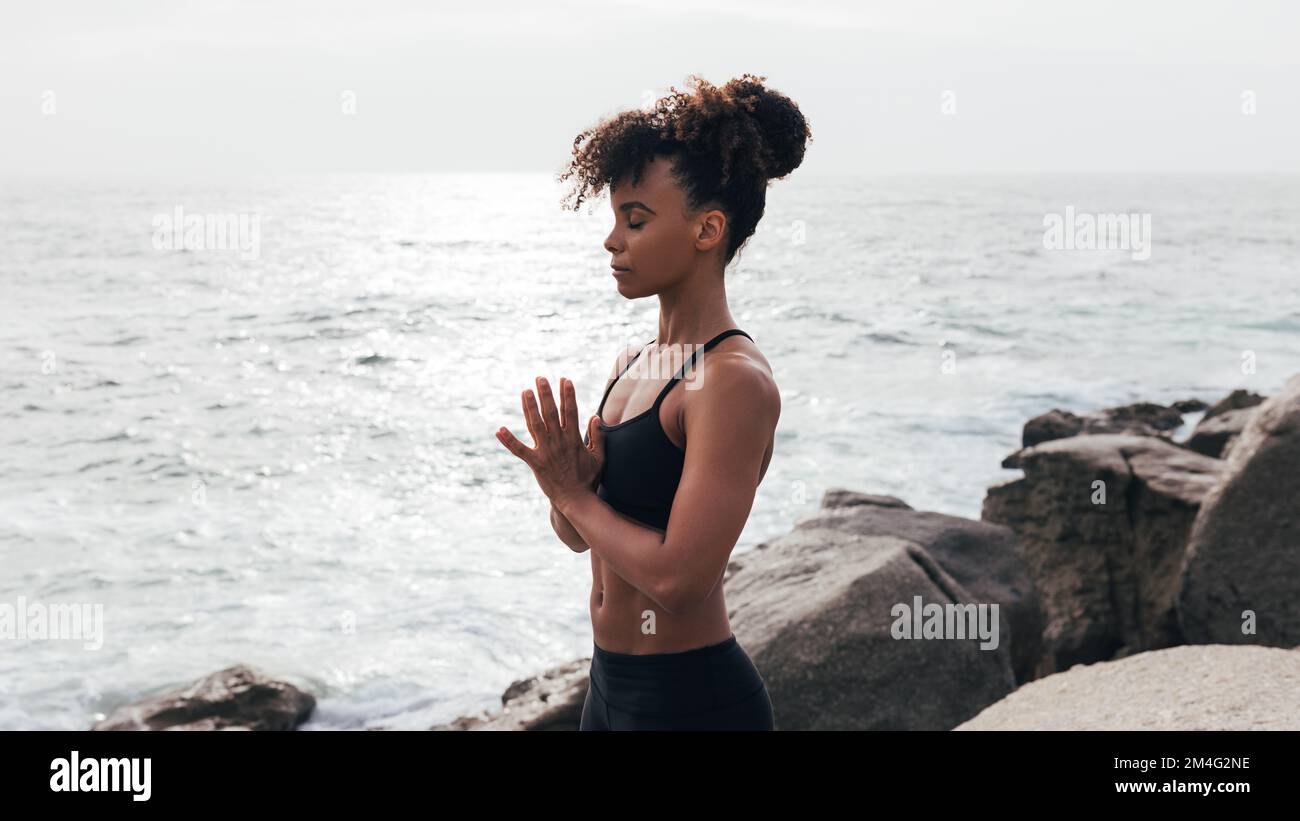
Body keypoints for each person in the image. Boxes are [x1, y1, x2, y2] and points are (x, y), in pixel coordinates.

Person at [494, 73, 811, 730]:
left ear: (708, 229)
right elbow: (579, 538)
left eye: (635, 220)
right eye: (613, 219)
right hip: (608, 686)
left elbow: (679, 579)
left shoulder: (732, 380)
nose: (613, 240)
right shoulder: (631, 364)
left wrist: (575, 496)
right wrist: (566, 488)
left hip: (690, 699)